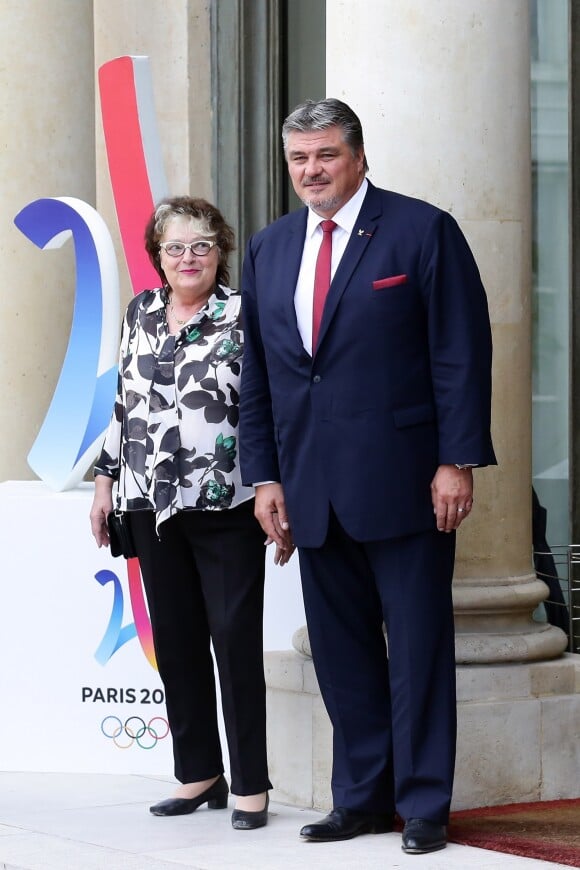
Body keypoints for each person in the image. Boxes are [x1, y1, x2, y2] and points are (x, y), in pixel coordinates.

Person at [239, 99, 496, 854]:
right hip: (309, 487)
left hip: (408, 481)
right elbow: (260, 375)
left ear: (358, 156)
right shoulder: (268, 248)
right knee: (342, 653)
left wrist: (457, 459)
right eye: (298, 160)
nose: (311, 171)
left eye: (325, 155)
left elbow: (460, 353)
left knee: (416, 649)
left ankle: (422, 806)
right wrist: (265, 478)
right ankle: (360, 798)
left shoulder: (423, 231)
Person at [90, 196, 283, 831]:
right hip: (150, 502)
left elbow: (264, 407)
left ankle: (250, 783)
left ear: (220, 250)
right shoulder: (140, 312)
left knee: (233, 643)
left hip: (225, 502)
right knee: (174, 645)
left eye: (201, 244)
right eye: (175, 247)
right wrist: (104, 484)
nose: (188, 257)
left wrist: (267, 484)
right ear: (158, 257)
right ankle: (198, 772)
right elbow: (125, 402)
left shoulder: (242, 314)